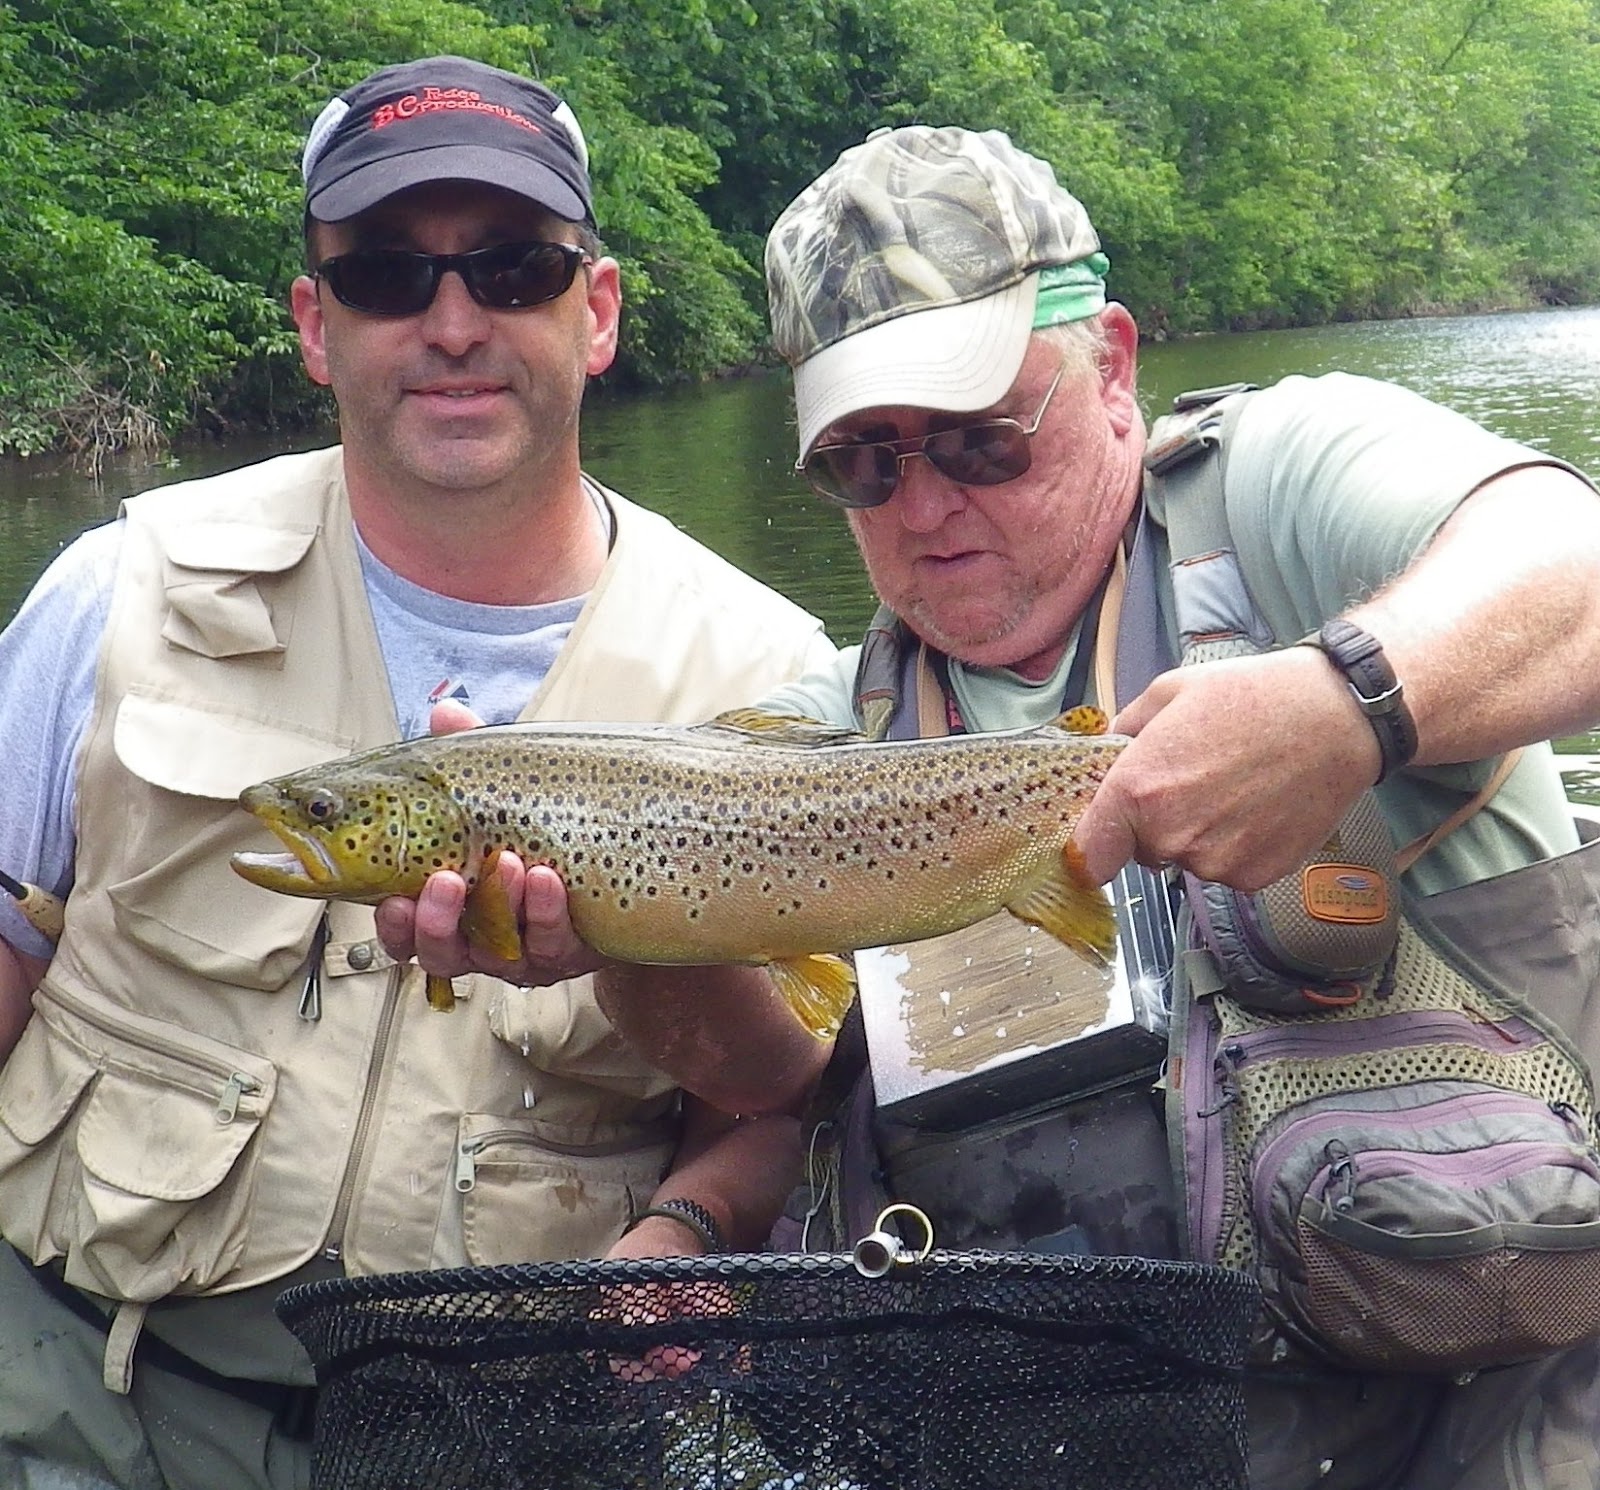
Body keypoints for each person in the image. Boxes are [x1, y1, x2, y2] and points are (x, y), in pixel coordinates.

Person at [394, 125, 1600, 1489]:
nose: (924, 503)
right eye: (865, 461)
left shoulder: (1283, 488)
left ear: (1117, 370)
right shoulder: (825, 727)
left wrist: (1346, 702)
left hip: (1476, 1418)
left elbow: (1576, 561)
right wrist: (607, 923)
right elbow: (767, 1079)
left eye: (979, 439)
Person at [0, 55, 836, 1490]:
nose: (454, 323)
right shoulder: (116, 589)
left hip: (505, 1441)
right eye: (390, 276)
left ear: (602, 311)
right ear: (316, 327)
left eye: (514, 269)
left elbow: (781, 1107)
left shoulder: (773, 678)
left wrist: (685, 1228)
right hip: (79, 1389)